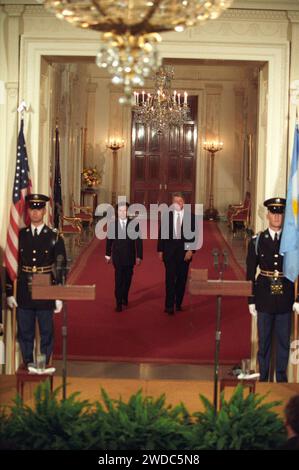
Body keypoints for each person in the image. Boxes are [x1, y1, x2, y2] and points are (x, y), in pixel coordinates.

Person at [6, 193, 66, 367]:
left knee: (46, 331)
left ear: (44, 211)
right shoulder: (20, 236)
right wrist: (10, 291)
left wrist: (59, 295)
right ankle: (28, 363)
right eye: (32, 208)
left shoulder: (54, 237)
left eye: (39, 209)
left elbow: (61, 268)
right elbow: (12, 265)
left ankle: (43, 365)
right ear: (28, 210)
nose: (35, 212)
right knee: (25, 331)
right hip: (24, 288)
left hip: (46, 286)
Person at [246, 197, 299, 382]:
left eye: (280, 213)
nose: (277, 217)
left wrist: (298, 298)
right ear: (267, 215)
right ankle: (263, 380)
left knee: (284, 342)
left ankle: (282, 381)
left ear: (284, 216)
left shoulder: (292, 241)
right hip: (264, 296)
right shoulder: (257, 240)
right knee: (264, 342)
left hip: (285, 296)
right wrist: (250, 299)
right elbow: (250, 272)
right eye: (273, 213)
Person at [158, 192, 197, 315]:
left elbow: (195, 236)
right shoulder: (166, 216)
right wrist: (160, 250)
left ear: (183, 203)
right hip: (169, 253)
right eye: (175, 201)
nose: (178, 204)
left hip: (184, 254)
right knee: (169, 280)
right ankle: (169, 306)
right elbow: (161, 234)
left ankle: (178, 303)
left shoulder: (191, 217)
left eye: (180, 201)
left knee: (181, 280)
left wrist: (190, 250)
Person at [105, 202, 143, 312]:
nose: (123, 212)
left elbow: (139, 241)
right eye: (120, 210)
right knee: (118, 279)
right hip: (117, 256)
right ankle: (118, 302)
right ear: (117, 212)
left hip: (130, 256)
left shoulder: (134, 224)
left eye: (125, 210)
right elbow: (109, 241)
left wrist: (139, 256)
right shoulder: (113, 225)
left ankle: (125, 295)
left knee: (128, 278)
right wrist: (107, 254)